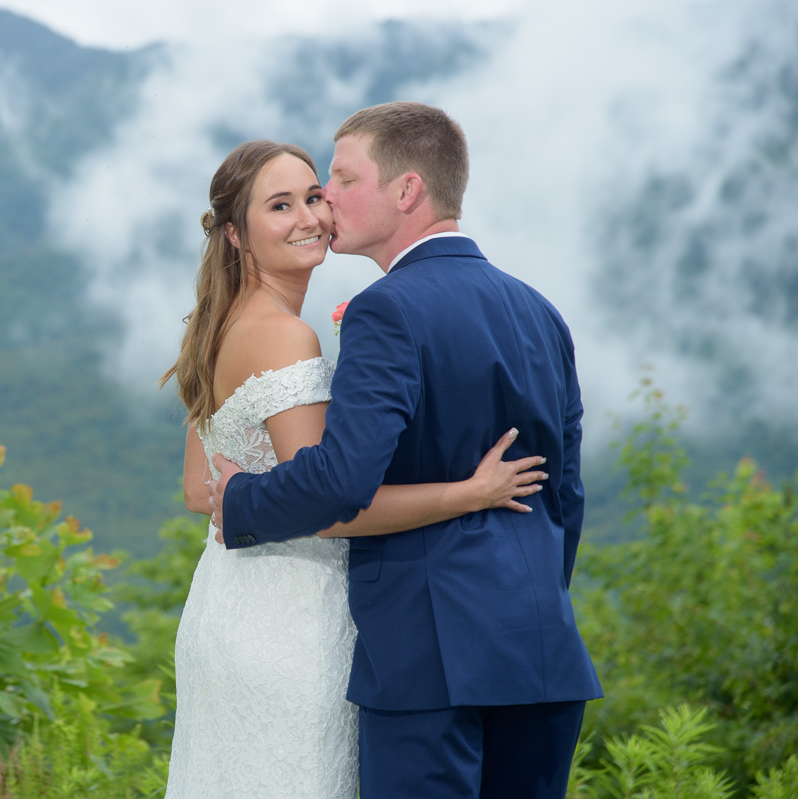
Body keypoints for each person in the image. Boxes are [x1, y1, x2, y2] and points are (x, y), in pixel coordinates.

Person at [208, 103, 604, 798]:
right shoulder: (542, 311)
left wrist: (240, 499)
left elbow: (341, 479)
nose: (327, 197)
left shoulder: (387, 308)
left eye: (342, 178)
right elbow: (564, 494)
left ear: (406, 191)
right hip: (543, 656)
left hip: (432, 665)